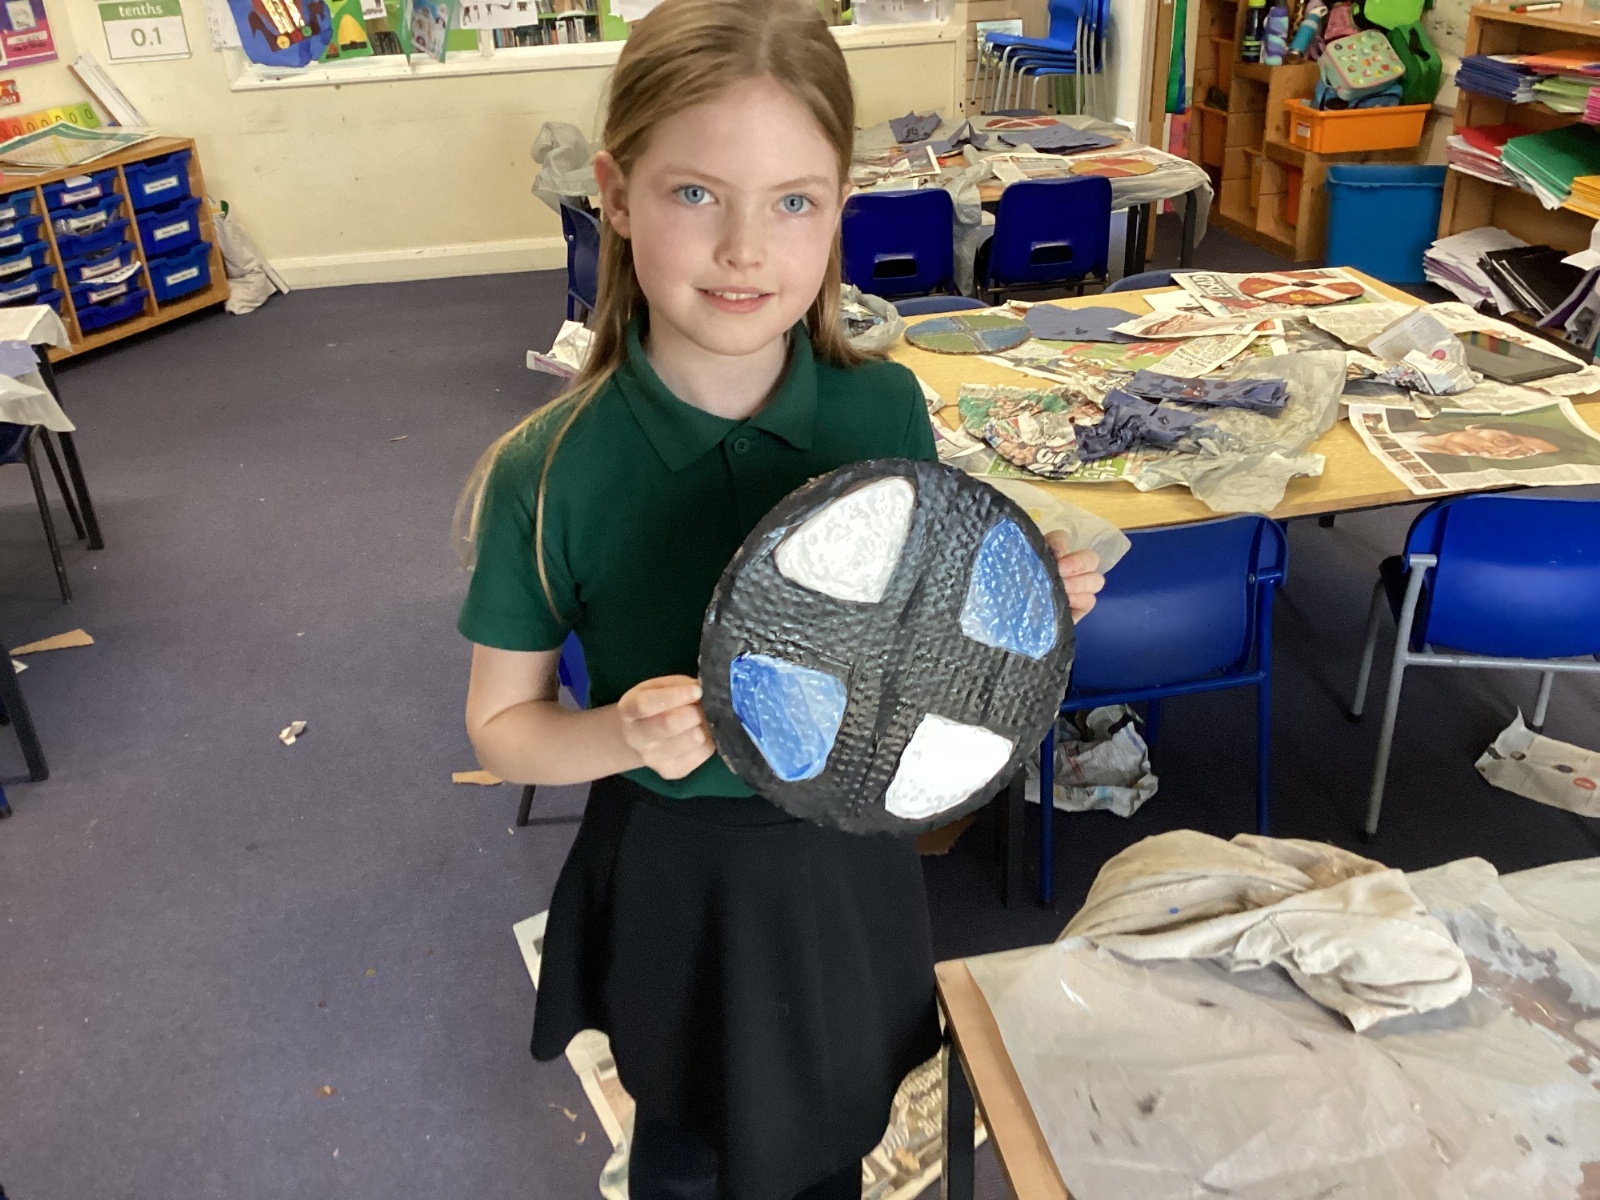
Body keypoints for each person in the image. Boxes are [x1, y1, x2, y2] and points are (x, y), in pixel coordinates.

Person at [455, 2, 1104, 1197]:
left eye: (794, 201)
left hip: (844, 866)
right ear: (616, 193)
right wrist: (617, 734)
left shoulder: (882, 412)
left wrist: (1020, 611)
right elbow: (501, 728)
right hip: (679, 875)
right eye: (696, 194)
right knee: (691, 1142)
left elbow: (912, 639)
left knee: (831, 1130)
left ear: (840, 205)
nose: (745, 249)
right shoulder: (547, 472)